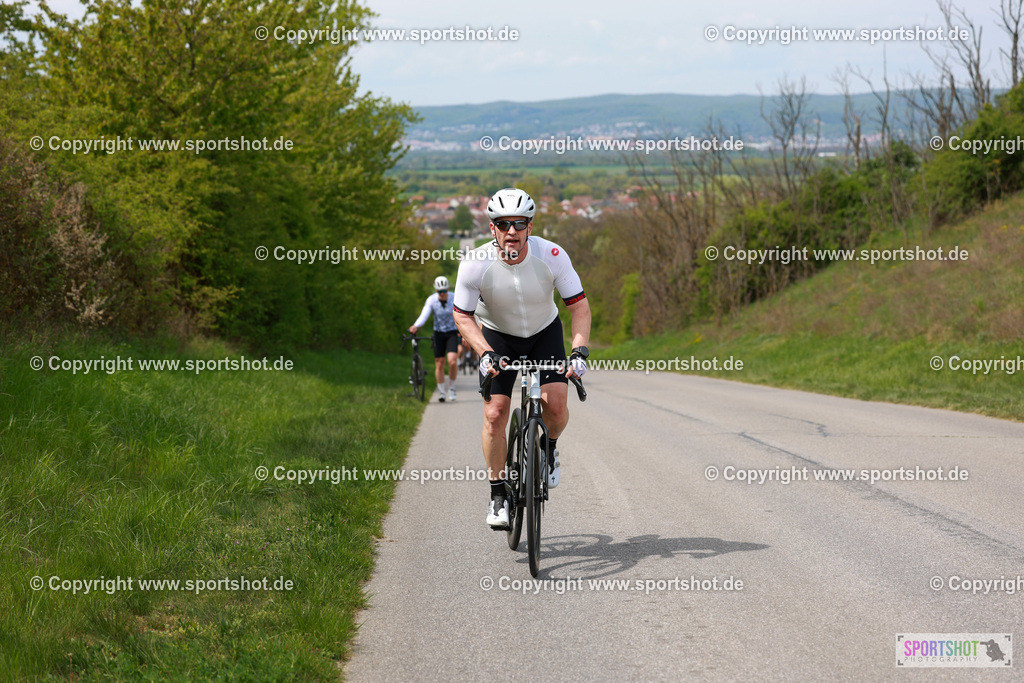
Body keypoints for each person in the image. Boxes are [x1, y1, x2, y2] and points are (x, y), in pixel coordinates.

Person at [453, 188, 590, 529]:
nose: (511, 231)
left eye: (518, 223)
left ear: (530, 226)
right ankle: (498, 494)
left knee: (556, 406)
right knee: (495, 413)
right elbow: (463, 316)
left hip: (544, 332)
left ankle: (550, 448)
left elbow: (580, 308)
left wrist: (579, 351)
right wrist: (484, 353)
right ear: (492, 228)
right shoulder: (474, 264)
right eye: (502, 224)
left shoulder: (553, 255)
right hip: (499, 336)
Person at [409, 275, 459, 402]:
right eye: (439, 291)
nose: (442, 294)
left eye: (444, 291)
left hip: (452, 332)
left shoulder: (455, 298)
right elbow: (424, 314)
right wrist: (416, 325)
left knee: (452, 361)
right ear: (436, 290)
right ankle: (442, 391)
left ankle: (452, 388)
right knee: (439, 362)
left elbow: (462, 313)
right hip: (438, 333)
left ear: (448, 289)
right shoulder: (431, 300)